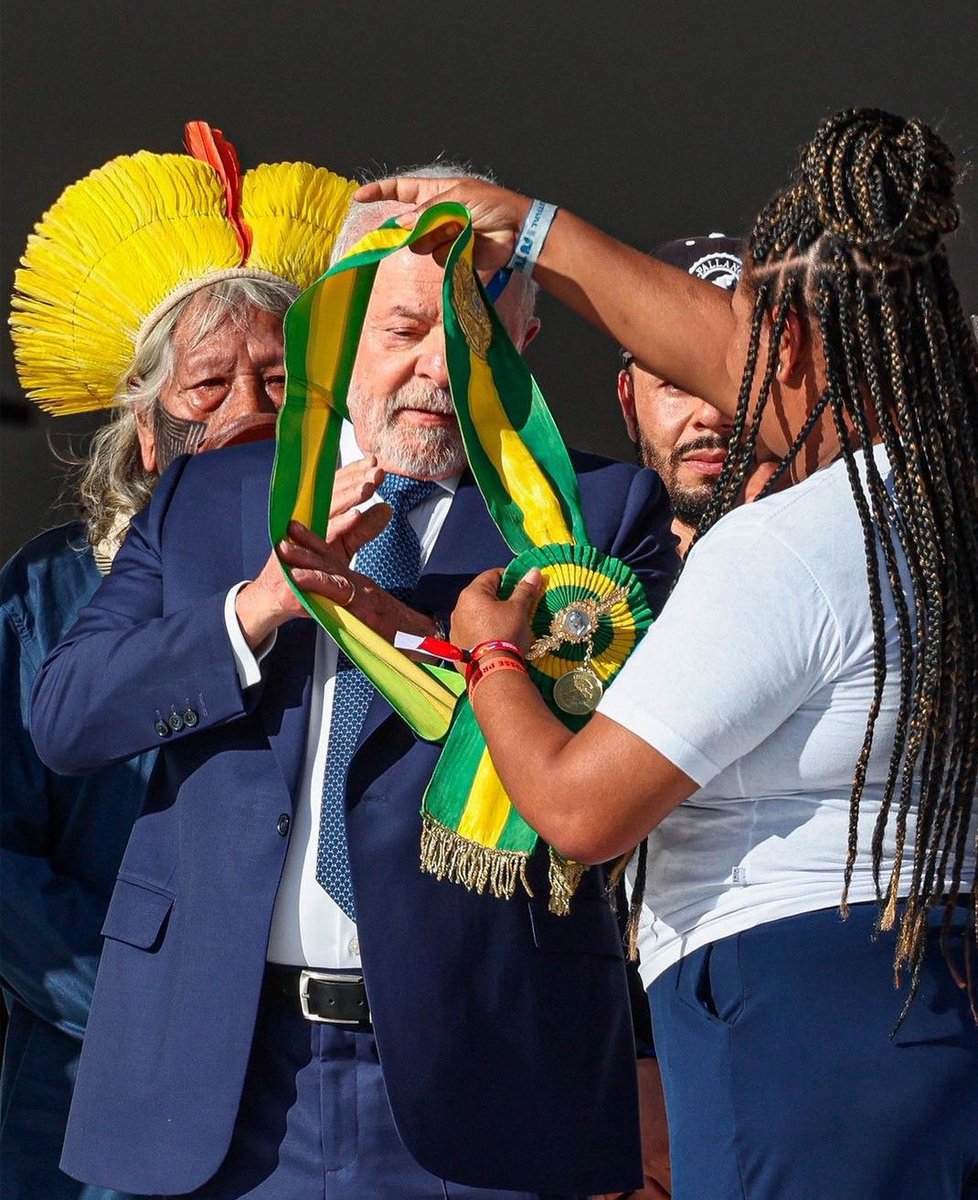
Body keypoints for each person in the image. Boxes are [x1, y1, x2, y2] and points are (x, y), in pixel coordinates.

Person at [362, 108, 978, 1200]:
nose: (714, 370)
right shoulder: (942, 505)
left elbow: (580, 809)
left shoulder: (791, 542)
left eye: (742, 334)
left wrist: (491, 659)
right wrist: (531, 225)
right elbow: (712, 341)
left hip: (796, 1031)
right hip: (933, 1002)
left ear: (791, 345)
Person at [29, 166, 680, 1198]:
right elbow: (67, 717)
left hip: (485, 1071)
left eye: (475, 336)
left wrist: (432, 642)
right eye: (405, 331)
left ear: (524, 339)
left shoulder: (598, 515)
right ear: (332, 331)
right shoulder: (208, 495)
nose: (436, 367)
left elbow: (622, 774)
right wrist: (257, 607)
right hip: (227, 1076)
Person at [1, 125, 357, 1200]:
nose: (250, 411)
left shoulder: (363, 583)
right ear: (147, 429)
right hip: (97, 1080)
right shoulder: (50, 597)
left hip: (309, 1087)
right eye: (209, 386)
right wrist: (140, 1001)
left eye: (278, 381)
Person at [618, 234, 742, 556]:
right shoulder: (568, 573)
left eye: (742, 380)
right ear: (629, 403)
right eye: (679, 382)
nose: (712, 414)